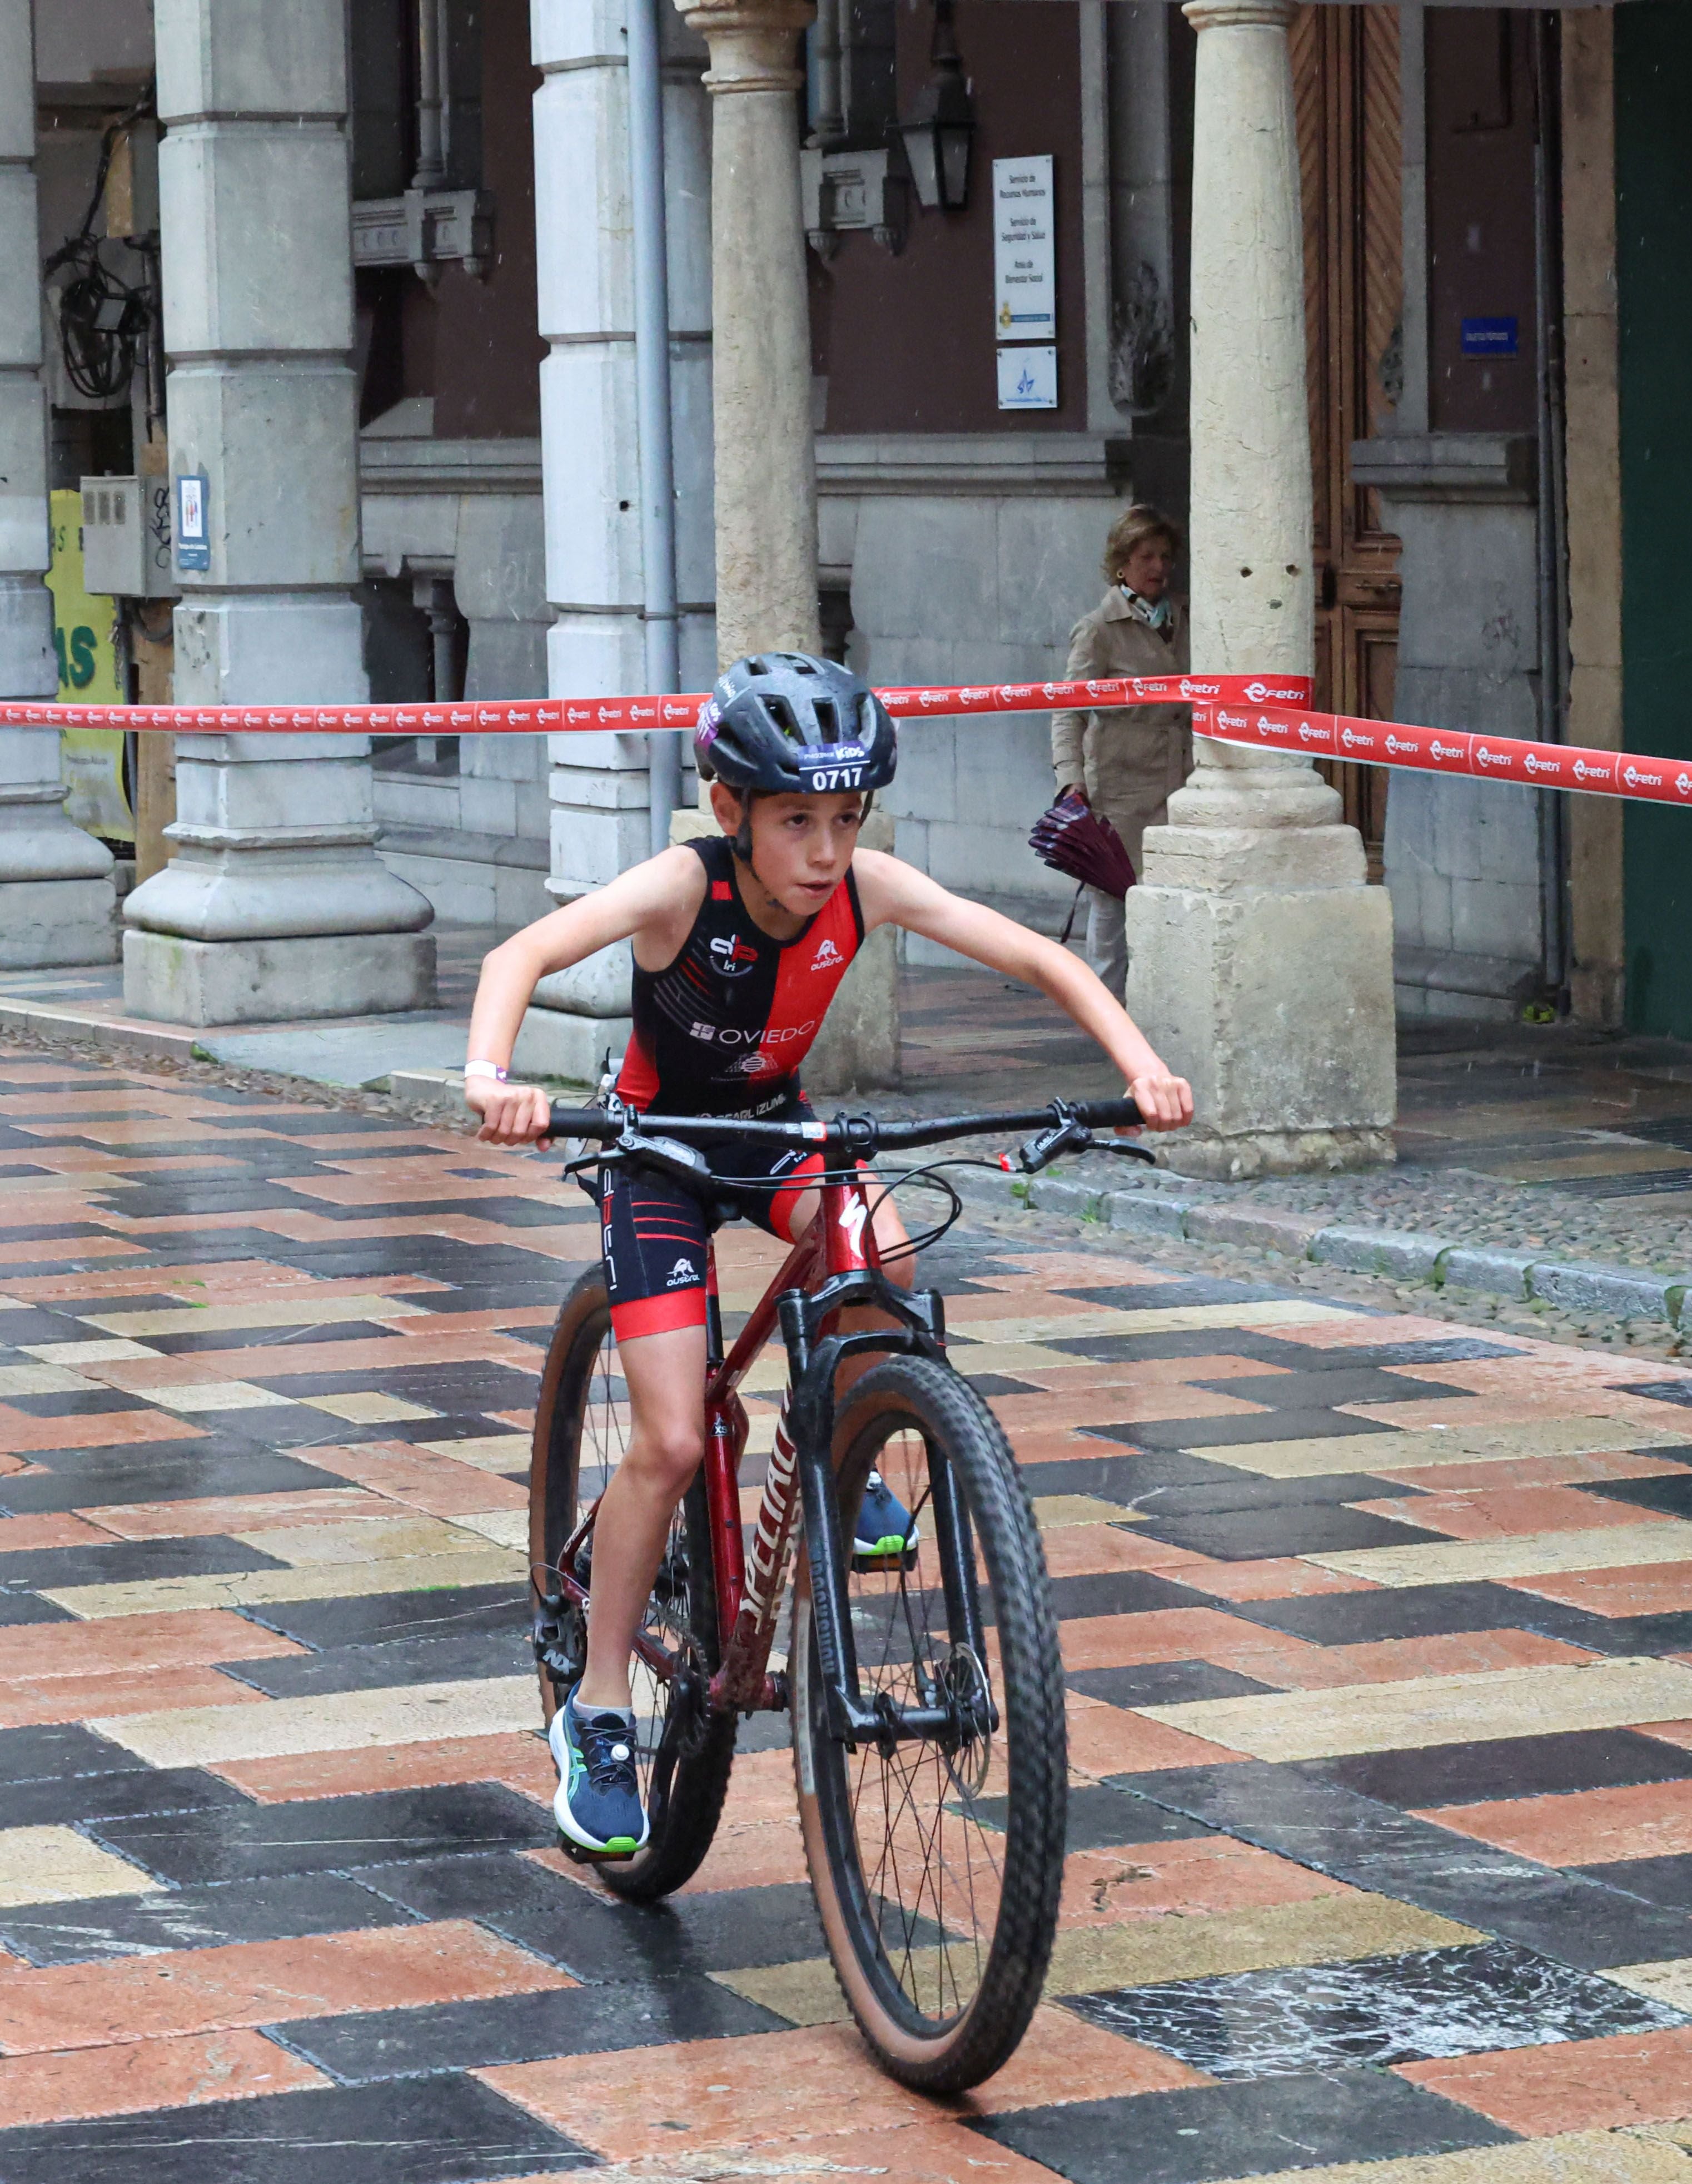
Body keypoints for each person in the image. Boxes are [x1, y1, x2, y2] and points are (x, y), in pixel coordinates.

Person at [463, 652, 1195, 1858]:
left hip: (772, 1130)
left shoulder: (868, 886)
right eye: (796, 820)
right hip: (656, 1147)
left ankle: (845, 1446)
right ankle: (597, 1709)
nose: (824, 848)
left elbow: (1039, 956)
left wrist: (1140, 1067)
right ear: (729, 812)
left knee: (888, 1255)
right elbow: (518, 959)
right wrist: (496, 1079)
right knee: (673, 1434)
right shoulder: (677, 888)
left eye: (845, 819)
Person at [1046, 505, 1190, 996]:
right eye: (1146, 556)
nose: (1158, 568)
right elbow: (1069, 710)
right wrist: (1071, 781)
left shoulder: (1186, 618)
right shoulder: (1099, 629)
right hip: (1120, 788)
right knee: (1112, 910)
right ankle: (1106, 1017)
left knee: (1171, 907)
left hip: (1180, 781)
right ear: (1121, 564)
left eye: (1165, 557)